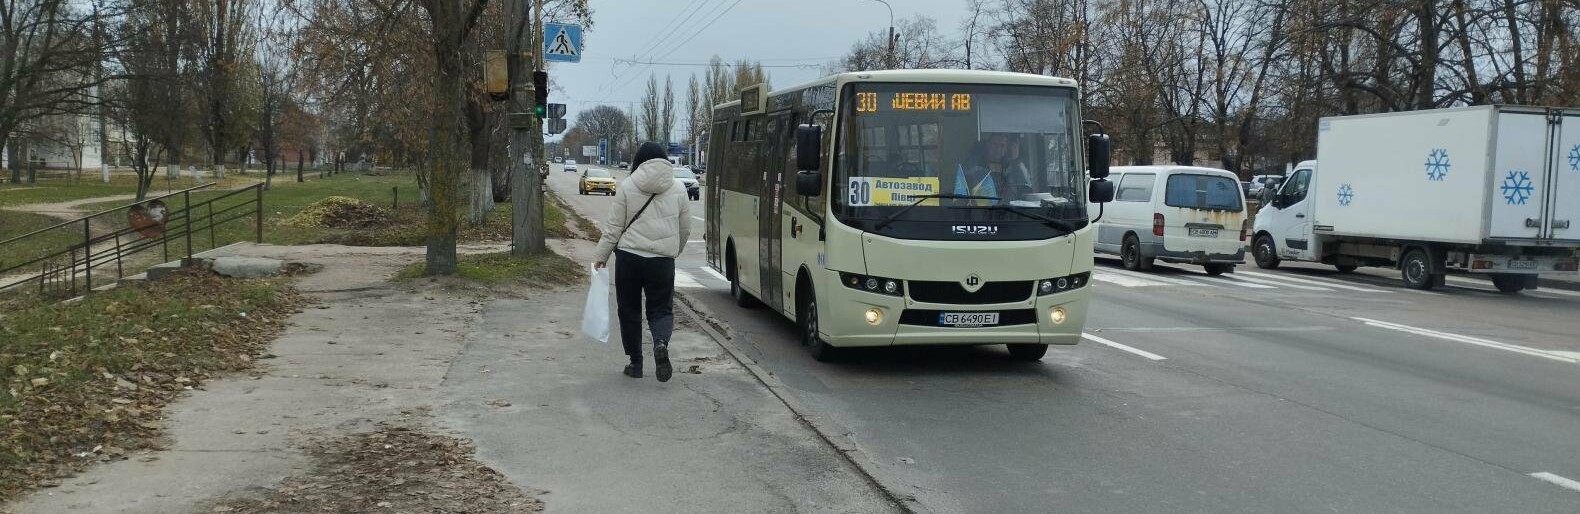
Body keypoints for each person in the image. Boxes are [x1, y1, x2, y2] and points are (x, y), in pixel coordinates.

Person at [593, 142, 692, 382]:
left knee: (629, 309)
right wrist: (672, 252)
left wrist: (601, 256)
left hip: (629, 258)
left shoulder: (628, 186)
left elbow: (614, 228)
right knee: (661, 308)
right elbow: (685, 228)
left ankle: (635, 363)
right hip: (662, 261)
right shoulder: (678, 188)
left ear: (638, 161)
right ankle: (660, 343)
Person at [953, 133, 1031, 204]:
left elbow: (1025, 189)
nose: (998, 149)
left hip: (1010, 214)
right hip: (980, 213)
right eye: (995, 144)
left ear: (1007, 148)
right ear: (987, 144)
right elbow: (962, 192)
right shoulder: (973, 166)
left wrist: (1015, 161)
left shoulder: (1013, 166)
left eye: (1002, 145)